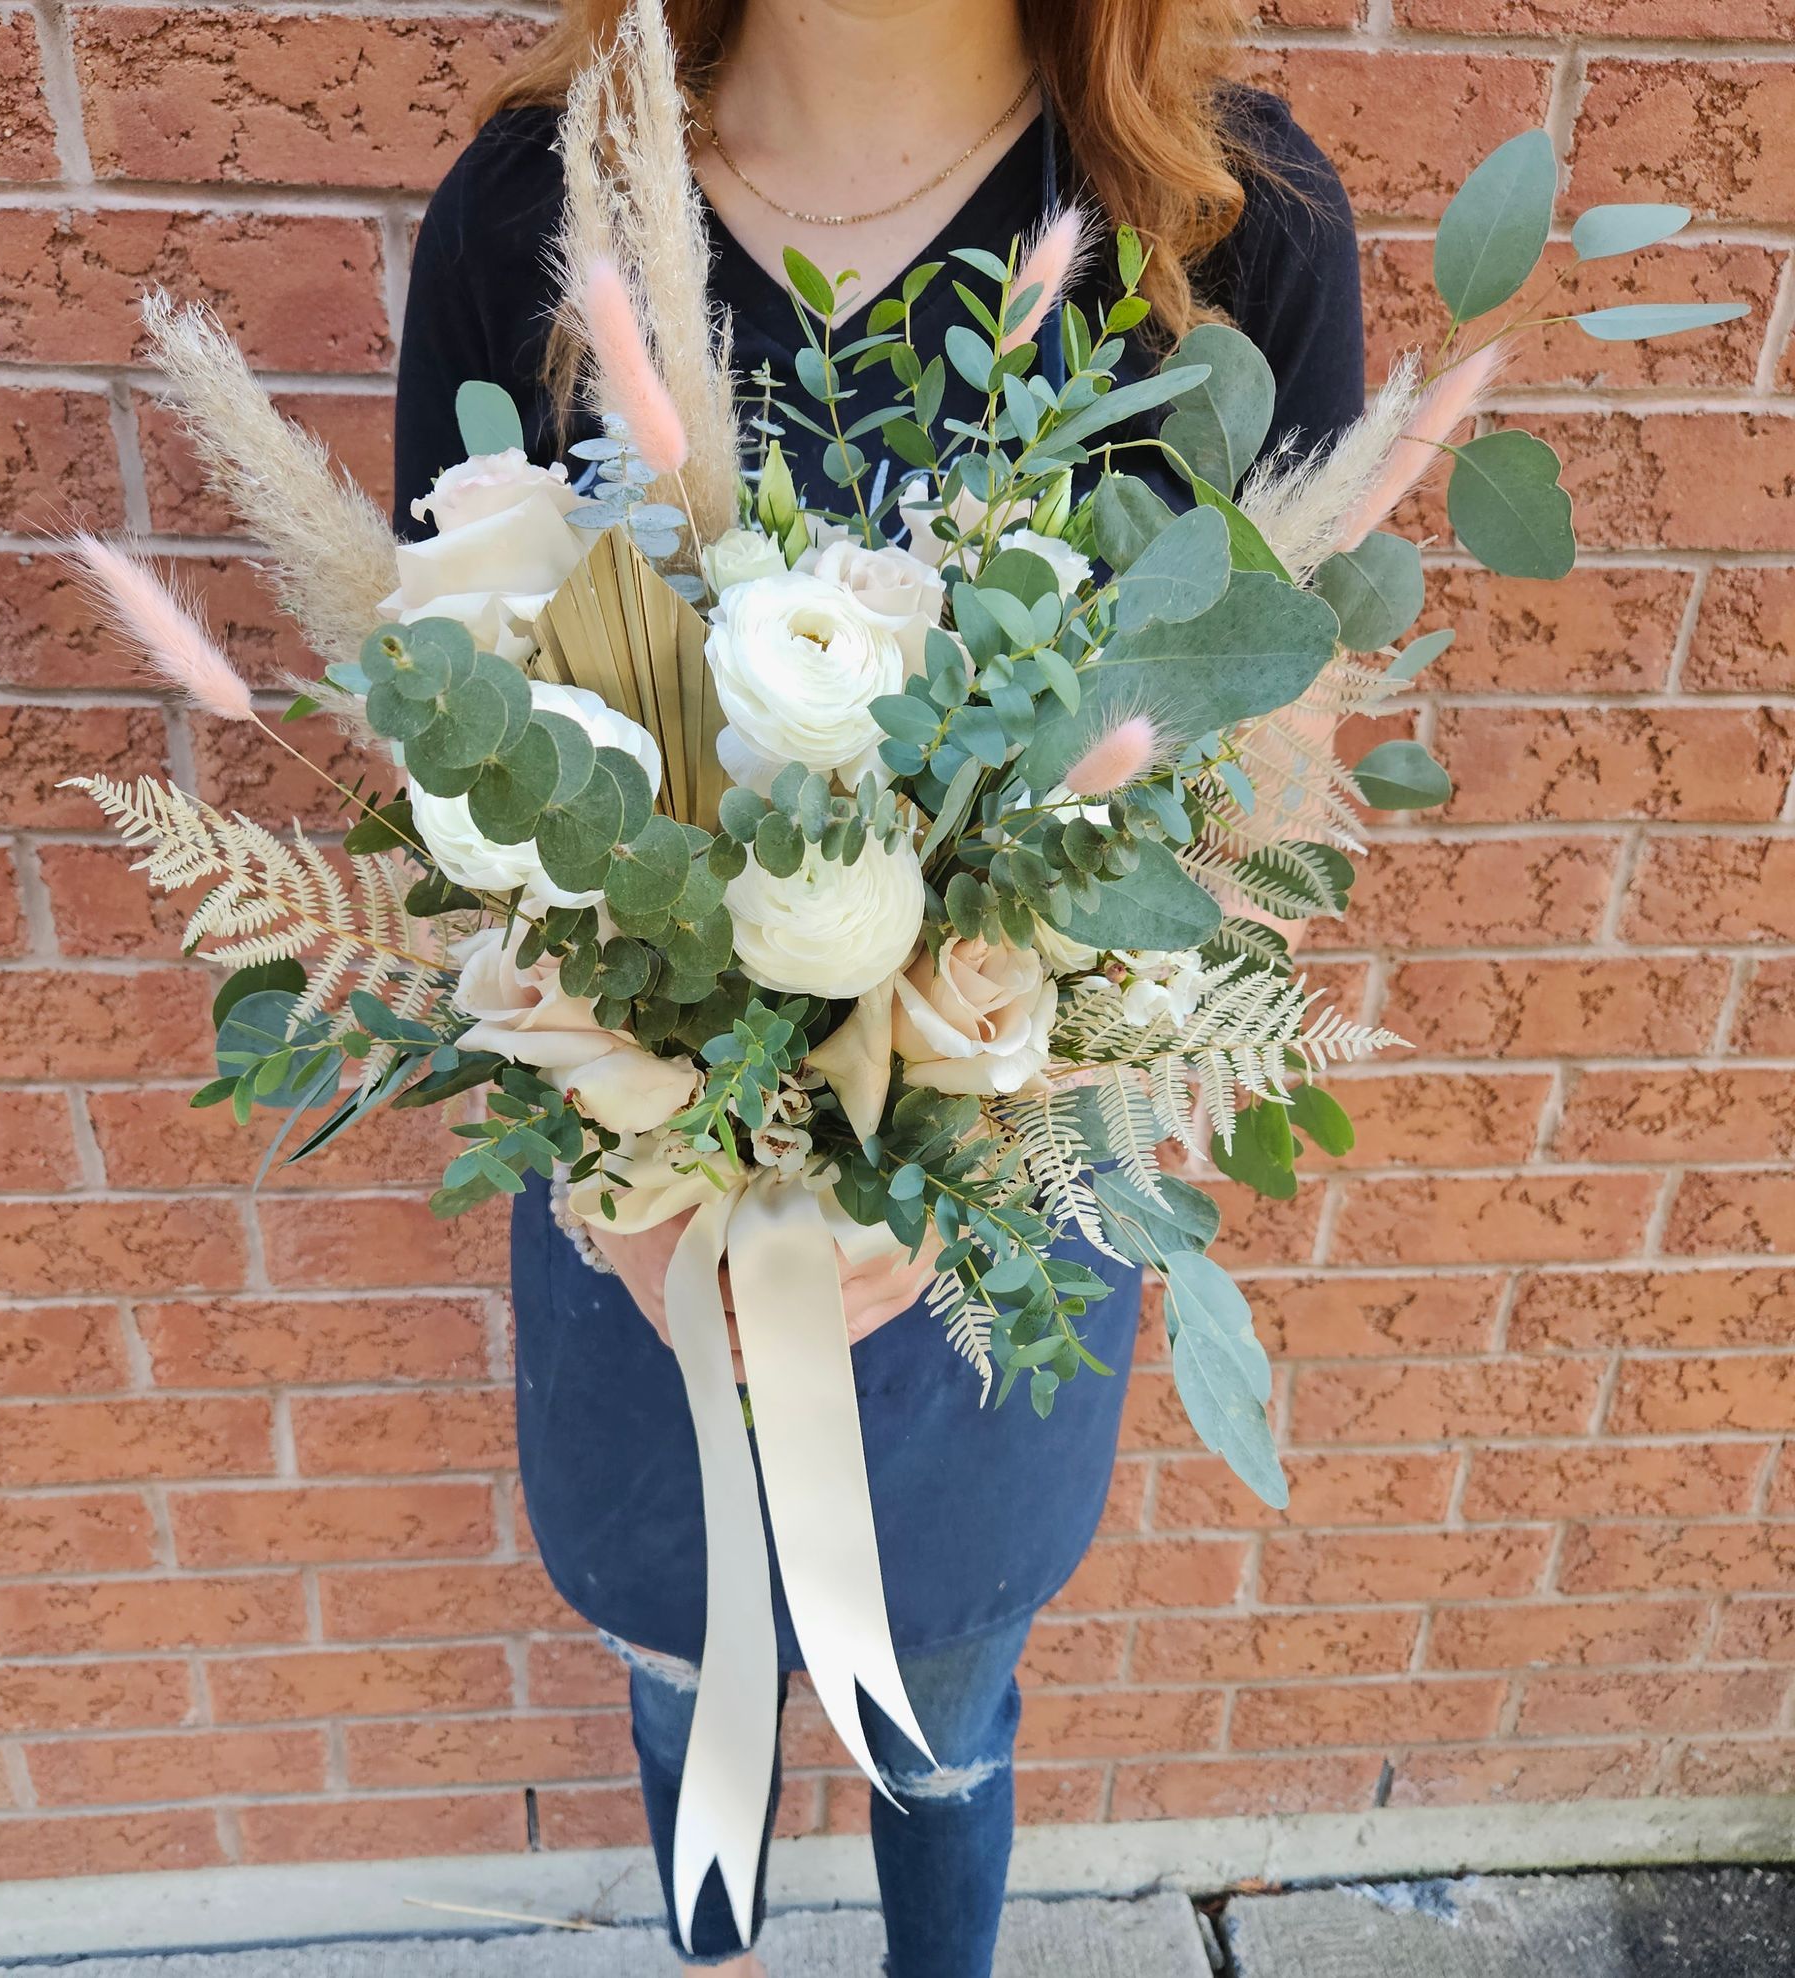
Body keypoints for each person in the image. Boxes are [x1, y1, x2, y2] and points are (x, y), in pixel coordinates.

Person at [392, 4, 1364, 1972]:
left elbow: (1263, 807)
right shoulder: (533, 208)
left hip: (1007, 1214)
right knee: (688, 1669)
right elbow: (439, 783)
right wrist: (637, 1175)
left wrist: (971, 1110)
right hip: (637, 1223)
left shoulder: (1225, 233)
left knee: (946, 1698)